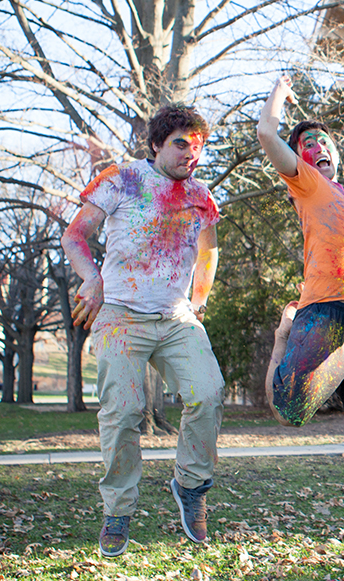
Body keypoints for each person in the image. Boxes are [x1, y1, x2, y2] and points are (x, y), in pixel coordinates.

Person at [62, 103, 225, 557]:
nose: (190, 154)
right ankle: (117, 510)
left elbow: (208, 252)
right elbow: (74, 236)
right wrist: (91, 278)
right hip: (120, 315)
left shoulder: (202, 197)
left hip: (175, 318)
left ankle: (190, 487)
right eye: (180, 144)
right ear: (156, 144)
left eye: (198, 147)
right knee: (123, 411)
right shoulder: (122, 179)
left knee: (208, 393)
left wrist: (199, 300)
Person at [255, 75, 344, 426]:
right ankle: (286, 333)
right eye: (308, 143)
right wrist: (279, 92)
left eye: (325, 141)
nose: (319, 147)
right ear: (297, 158)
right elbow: (267, 133)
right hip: (323, 309)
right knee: (289, 412)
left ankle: (340, 361)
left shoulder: (340, 194)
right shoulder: (306, 182)